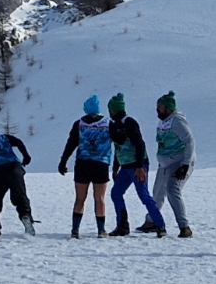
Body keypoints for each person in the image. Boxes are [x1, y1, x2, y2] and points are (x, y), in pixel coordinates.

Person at [137, 91, 196, 238]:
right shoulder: (164, 120)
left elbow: (189, 141)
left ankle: (184, 227)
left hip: (180, 162)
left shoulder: (177, 121)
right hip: (165, 163)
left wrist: (185, 164)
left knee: (172, 189)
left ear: (168, 108)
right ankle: (151, 221)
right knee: (158, 191)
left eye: (160, 107)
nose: (157, 109)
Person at [106, 93, 166, 238]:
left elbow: (140, 144)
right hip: (125, 166)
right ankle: (122, 226)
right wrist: (115, 167)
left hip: (137, 166)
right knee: (116, 193)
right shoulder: (114, 125)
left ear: (114, 110)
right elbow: (118, 148)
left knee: (143, 195)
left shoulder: (129, 122)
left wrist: (140, 167)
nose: (109, 113)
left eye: (110, 110)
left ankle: (160, 225)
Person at [59, 95, 116, 238]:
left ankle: (75, 230)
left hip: (82, 164)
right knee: (99, 198)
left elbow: (71, 143)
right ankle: (101, 230)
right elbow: (119, 139)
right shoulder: (108, 123)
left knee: (80, 198)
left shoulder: (79, 123)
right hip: (101, 163)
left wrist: (63, 161)